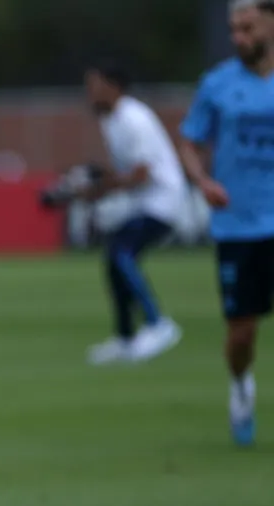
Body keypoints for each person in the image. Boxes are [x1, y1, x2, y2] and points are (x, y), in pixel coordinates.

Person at [179, 0, 274, 446]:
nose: (239, 37)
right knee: (242, 333)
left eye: (247, 27)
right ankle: (240, 384)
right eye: (234, 28)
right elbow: (191, 143)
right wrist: (202, 181)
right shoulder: (217, 84)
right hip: (238, 226)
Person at [81, 61, 187, 366]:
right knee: (114, 261)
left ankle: (158, 324)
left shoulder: (134, 118)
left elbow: (140, 174)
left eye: (95, 85)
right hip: (144, 202)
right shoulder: (111, 120)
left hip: (164, 200)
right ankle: (126, 338)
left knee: (122, 253)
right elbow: (124, 171)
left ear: (113, 86)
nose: (89, 93)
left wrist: (101, 188)